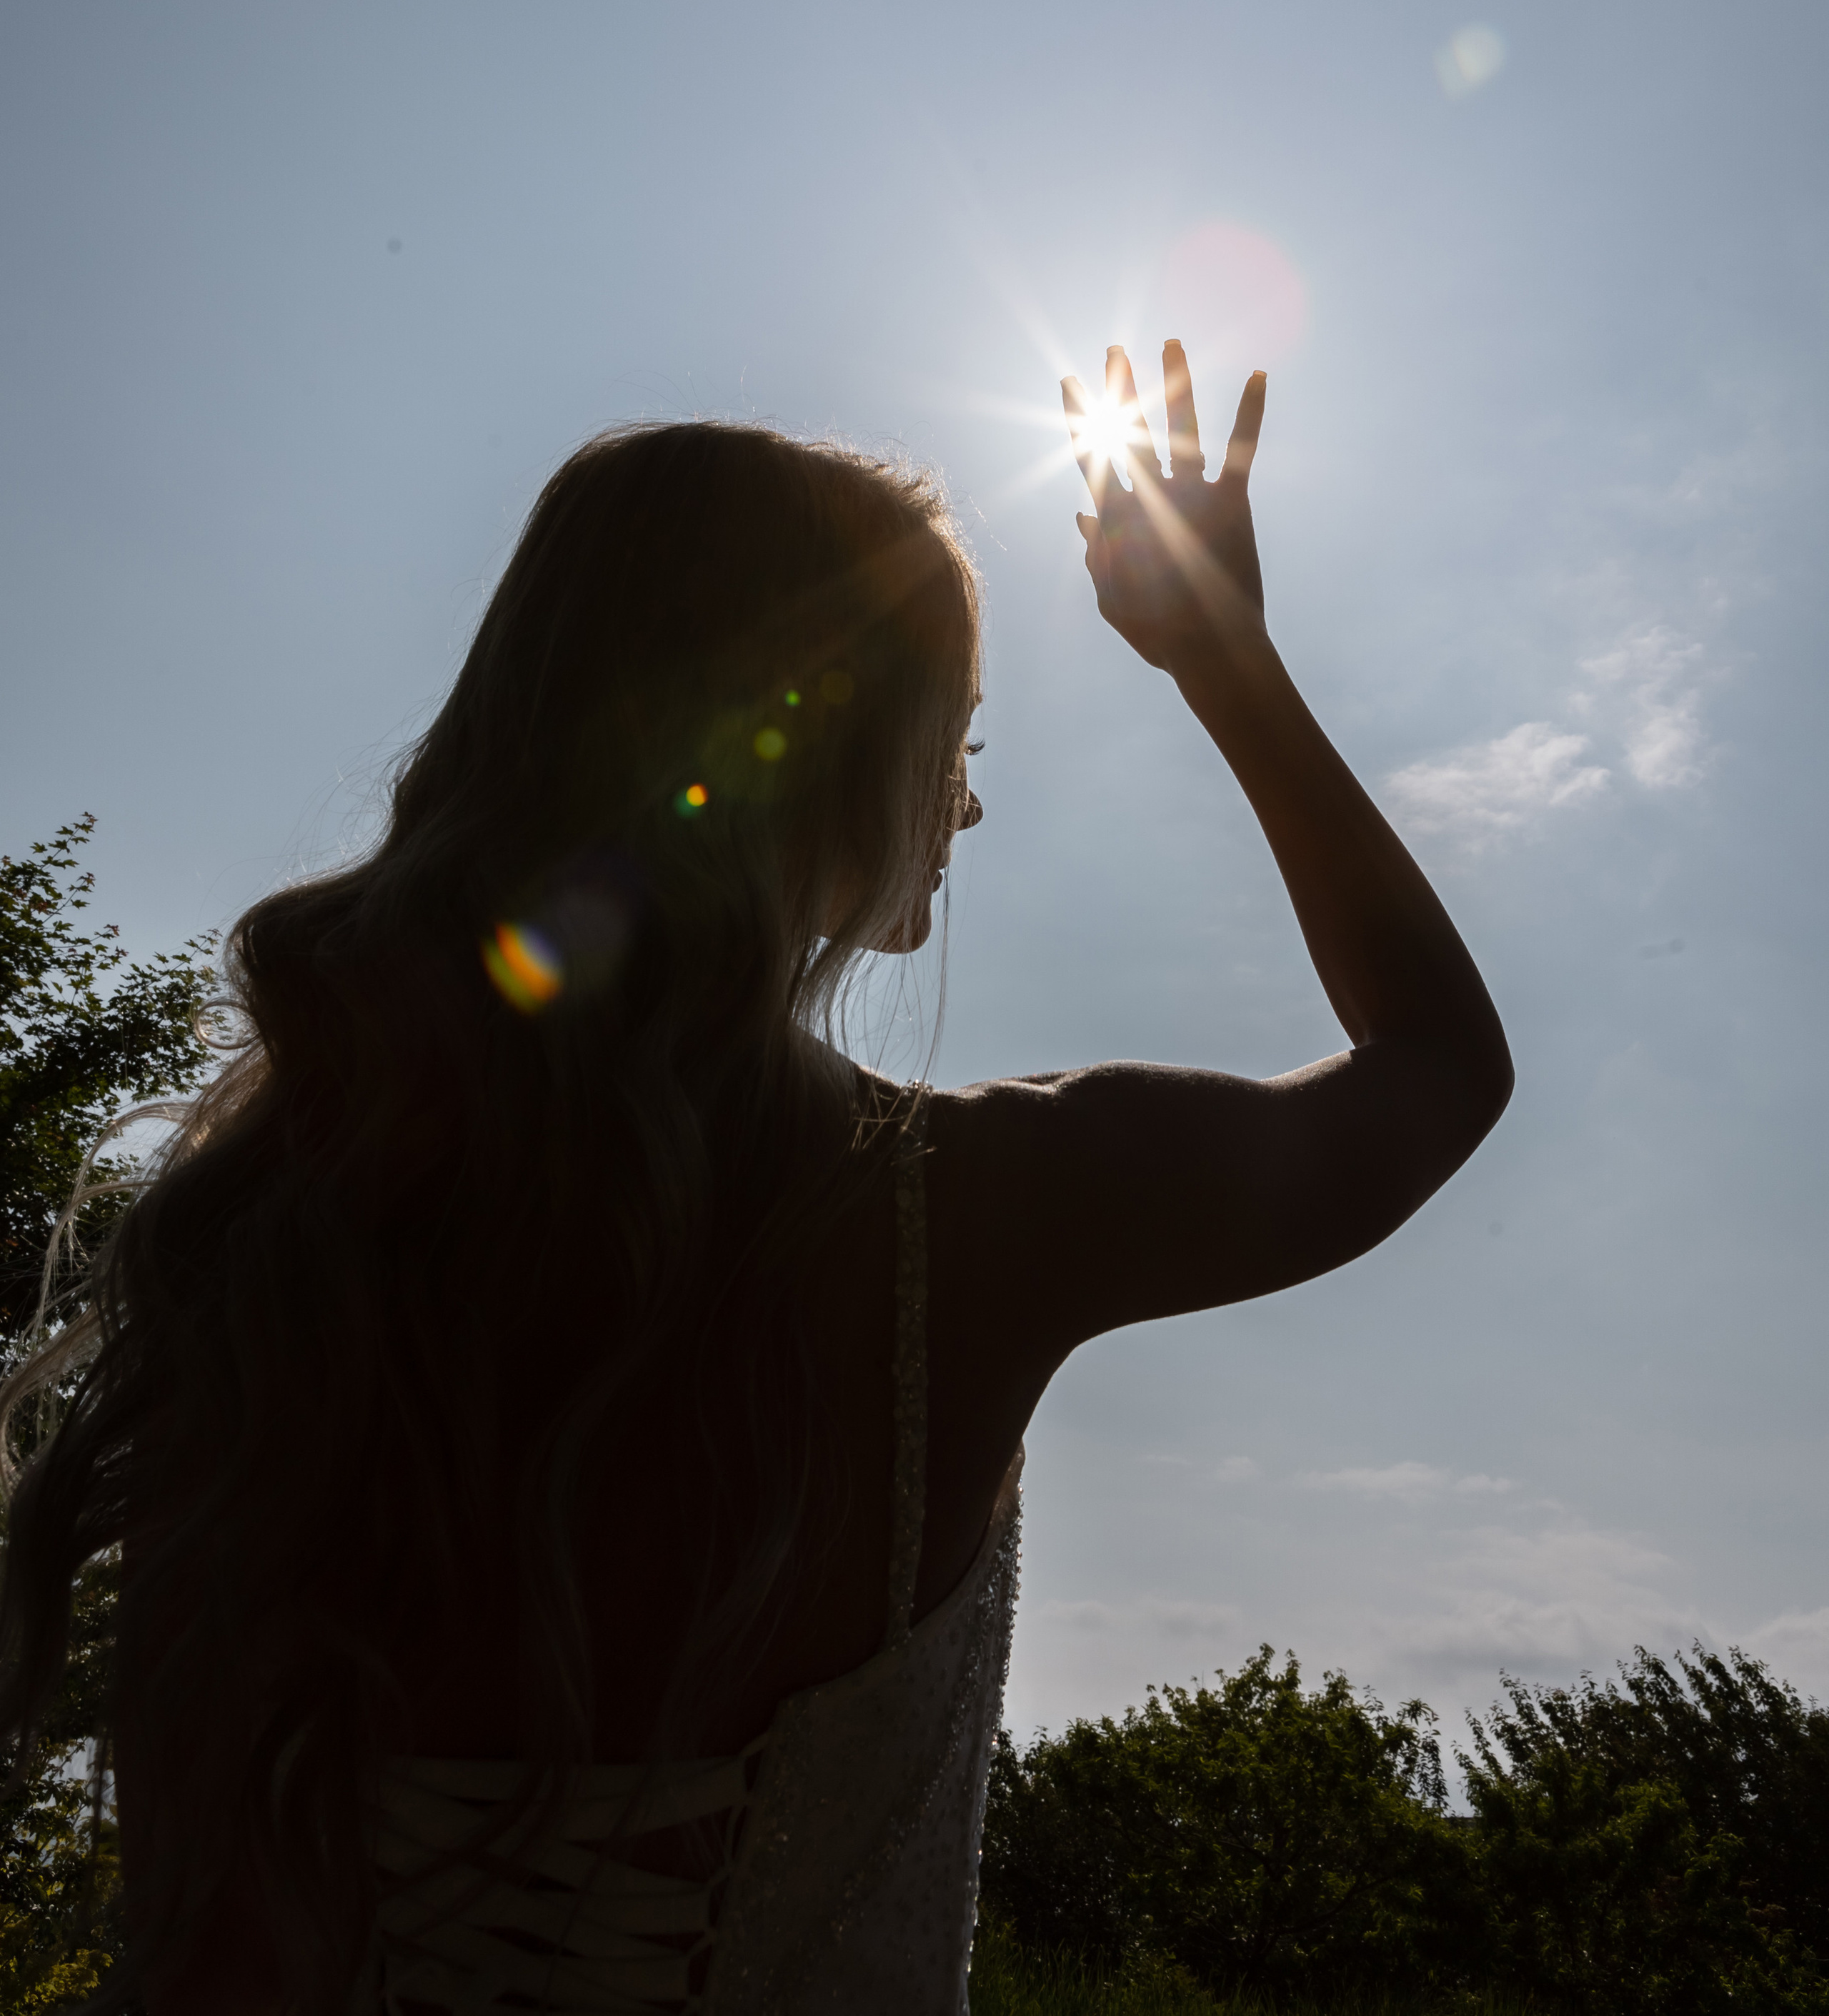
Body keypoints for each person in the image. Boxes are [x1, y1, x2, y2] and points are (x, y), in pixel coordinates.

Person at [0, 343, 1510, 2015]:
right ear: (820, 753)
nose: (971, 803)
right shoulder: (986, 1211)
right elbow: (1436, 1068)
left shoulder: (274, 1233)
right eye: (955, 737)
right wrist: (1221, 658)